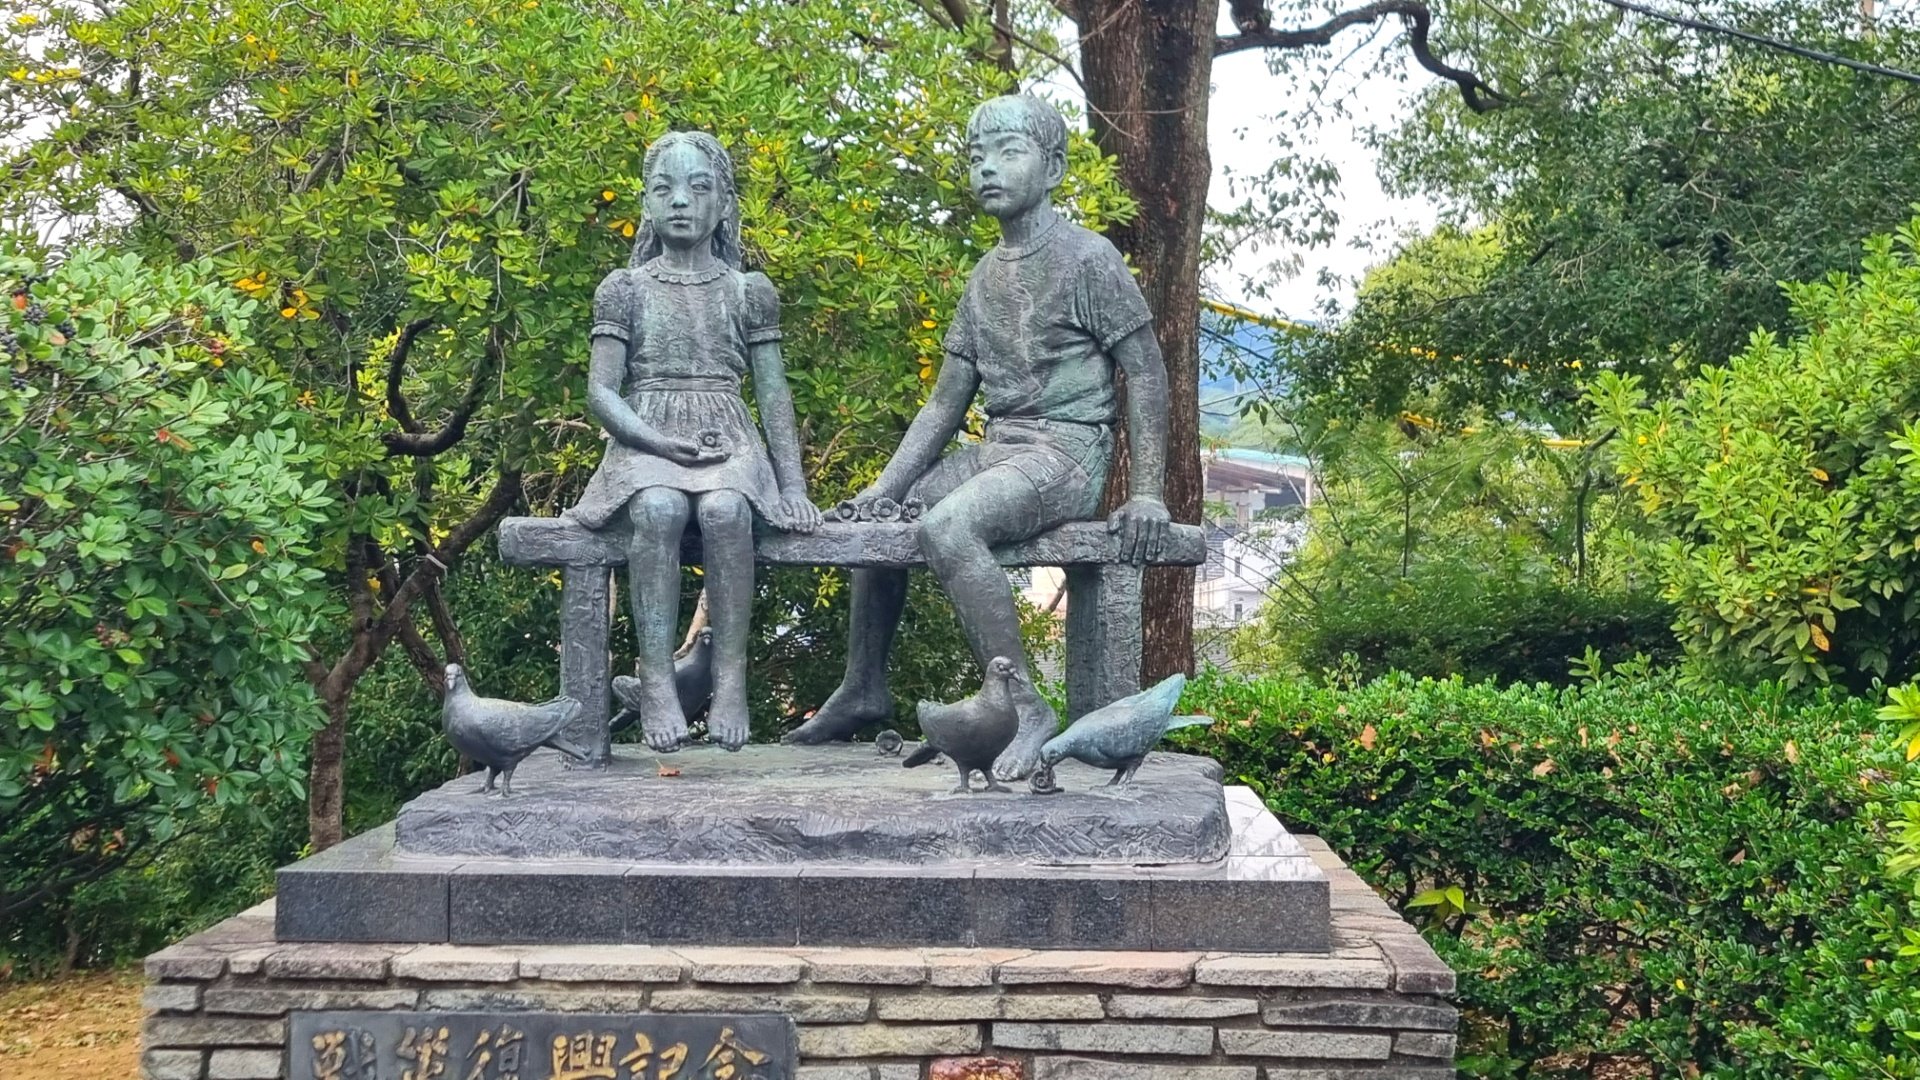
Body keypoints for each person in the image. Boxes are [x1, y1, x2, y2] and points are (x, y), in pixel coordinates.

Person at [785, 94, 1171, 780]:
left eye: (1008, 153)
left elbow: (1145, 373)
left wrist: (1146, 493)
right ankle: (863, 684)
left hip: (1066, 453)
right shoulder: (984, 276)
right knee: (889, 516)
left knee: (947, 526)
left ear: (1053, 169)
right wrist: (882, 488)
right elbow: (944, 404)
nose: (987, 168)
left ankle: (1023, 705)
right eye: (976, 156)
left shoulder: (1089, 259)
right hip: (1001, 450)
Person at [566, 131, 821, 753]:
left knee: (726, 511)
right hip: (644, 436)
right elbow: (602, 393)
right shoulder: (624, 289)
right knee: (657, 508)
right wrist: (656, 442)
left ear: (724, 203)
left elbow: (773, 394)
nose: (680, 200)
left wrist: (792, 486)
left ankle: (730, 678)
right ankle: (656, 679)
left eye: (698, 187)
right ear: (646, 202)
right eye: (665, 188)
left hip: (725, 433)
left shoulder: (747, 290)